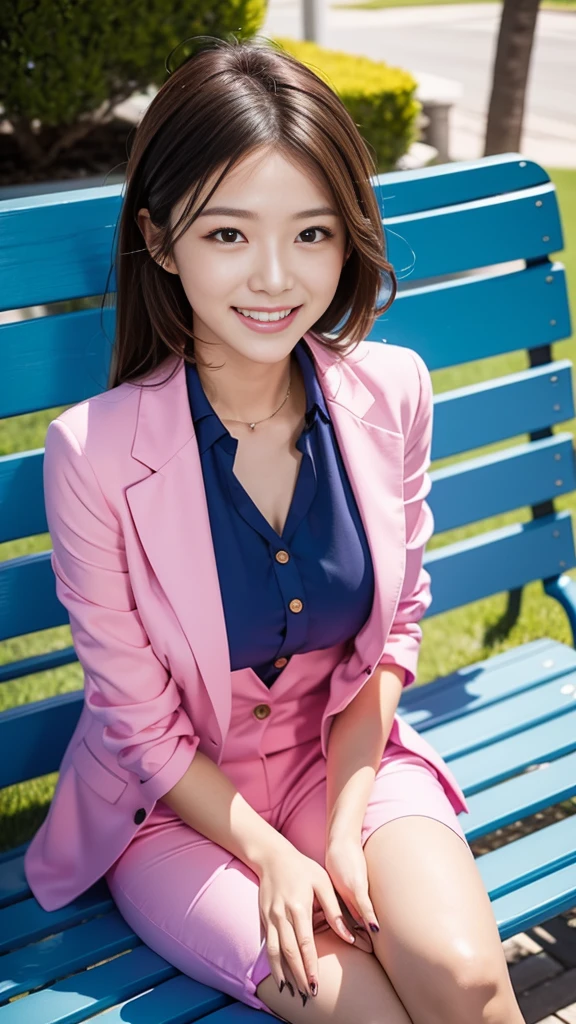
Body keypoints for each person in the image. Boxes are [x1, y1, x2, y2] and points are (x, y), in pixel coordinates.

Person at [24, 35, 527, 1024]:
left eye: (311, 233)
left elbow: (394, 631)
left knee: (464, 982)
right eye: (227, 236)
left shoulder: (393, 391)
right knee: (370, 1013)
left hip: (342, 762)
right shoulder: (92, 453)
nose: (274, 277)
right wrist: (272, 854)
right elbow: (139, 722)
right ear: (163, 242)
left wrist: (340, 831)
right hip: (172, 810)